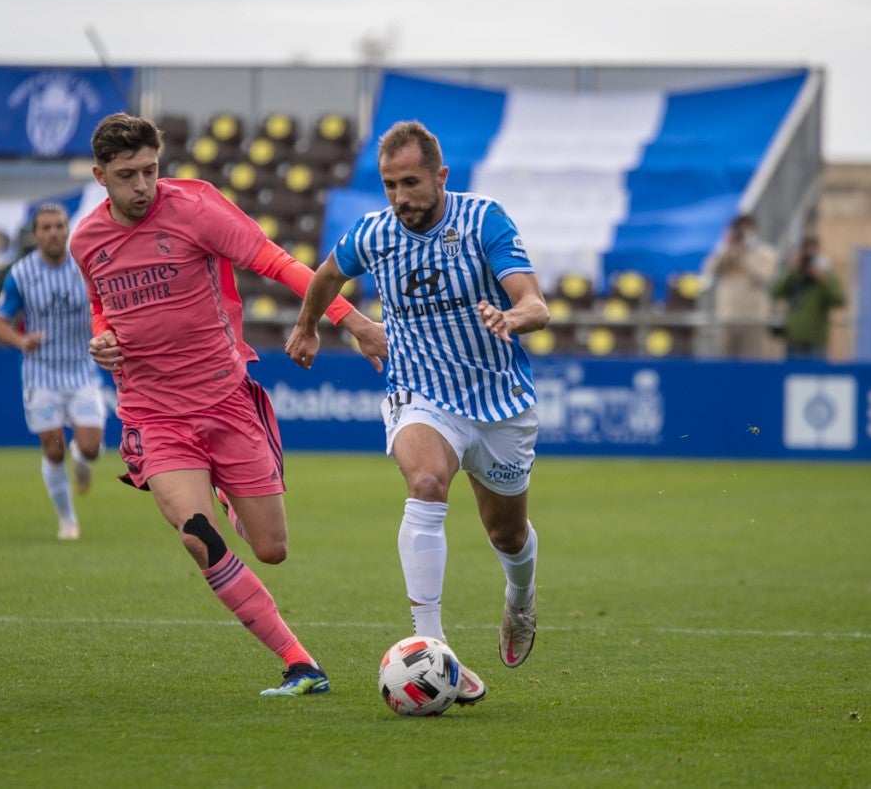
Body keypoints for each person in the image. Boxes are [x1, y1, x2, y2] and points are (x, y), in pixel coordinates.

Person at [69, 112, 386, 698]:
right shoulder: (86, 240)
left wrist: (353, 322)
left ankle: (224, 491)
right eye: (127, 175)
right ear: (99, 176)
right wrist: (102, 337)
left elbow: (277, 261)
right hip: (152, 412)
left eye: (150, 171)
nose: (142, 186)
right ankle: (300, 663)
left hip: (224, 397)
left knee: (272, 550)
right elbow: (101, 304)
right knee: (198, 537)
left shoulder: (196, 208)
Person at [285, 120, 551, 707]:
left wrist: (511, 318)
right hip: (419, 393)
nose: (400, 198)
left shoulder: (483, 219)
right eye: (389, 185)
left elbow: (534, 301)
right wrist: (309, 327)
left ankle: (521, 596)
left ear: (440, 176)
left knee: (506, 533)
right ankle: (433, 647)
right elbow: (326, 275)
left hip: (499, 403)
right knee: (426, 481)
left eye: (411, 183)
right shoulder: (375, 233)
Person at [0, 203, 106, 541]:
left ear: (68, 229)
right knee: (53, 449)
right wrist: (21, 340)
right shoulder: (21, 274)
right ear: (35, 234)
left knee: (90, 447)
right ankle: (68, 521)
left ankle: (82, 461)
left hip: (81, 370)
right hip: (41, 374)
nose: (54, 232)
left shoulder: (85, 267)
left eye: (59, 226)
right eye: (46, 227)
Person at [702, 213, 778, 359]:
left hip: (753, 319)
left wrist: (746, 255)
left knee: (751, 364)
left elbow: (765, 277)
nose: (742, 234)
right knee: (725, 366)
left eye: (745, 230)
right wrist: (727, 248)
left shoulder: (764, 253)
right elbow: (710, 270)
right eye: (739, 230)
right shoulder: (726, 252)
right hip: (728, 318)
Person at [771, 234, 847, 359]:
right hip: (793, 339)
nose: (809, 256)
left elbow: (839, 300)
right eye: (806, 251)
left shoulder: (825, 274)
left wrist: (821, 278)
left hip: (816, 340)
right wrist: (791, 271)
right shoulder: (794, 274)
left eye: (813, 252)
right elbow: (775, 293)